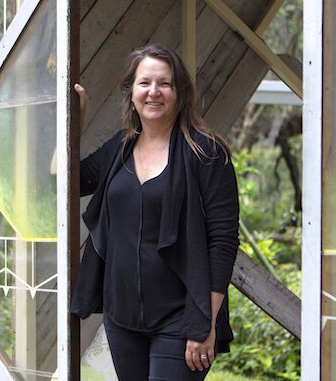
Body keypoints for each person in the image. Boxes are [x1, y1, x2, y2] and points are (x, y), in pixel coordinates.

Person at [71, 44, 240, 380]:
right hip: (122, 318)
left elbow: (222, 241)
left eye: (165, 83)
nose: (154, 92)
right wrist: (73, 120)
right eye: (144, 82)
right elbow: (67, 181)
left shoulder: (206, 152)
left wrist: (203, 322)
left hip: (182, 317)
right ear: (130, 91)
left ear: (180, 93)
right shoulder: (119, 148)